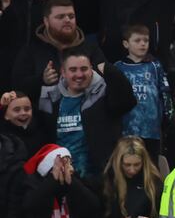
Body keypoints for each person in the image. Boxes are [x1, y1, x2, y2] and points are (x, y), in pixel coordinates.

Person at [34, 47, 135, 181]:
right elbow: (38, 133)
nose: (79, 75)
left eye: (84, 69)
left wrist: (109, 69)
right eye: (73, 70)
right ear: (63, 72)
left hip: (100, 180)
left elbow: (128, 101)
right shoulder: (50, 97)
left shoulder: (104, 94)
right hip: (61, 179)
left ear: (91, 70)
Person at [13, 143, 101, 218]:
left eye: (69, 163)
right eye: (63, 165)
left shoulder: (75, 182)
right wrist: (53, 180)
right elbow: (29, 204)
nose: (68, 168)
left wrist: (72, 182)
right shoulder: (33, 183)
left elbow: (94, 205)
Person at [12, 0, 106, 93]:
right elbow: (17, 86)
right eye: (60, 17)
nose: (67, 20)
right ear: (46, 21)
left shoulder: (90, 48)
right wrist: (41, 80)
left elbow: (105, 79)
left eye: (71, 16)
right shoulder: (31, 49)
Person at [114, 24, 173, 163]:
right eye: (137, 40)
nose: (142, 44)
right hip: (126, 130)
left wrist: (166, 119)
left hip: (151, 129)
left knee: (151, 166)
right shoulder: (118, 67)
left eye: (146, 40)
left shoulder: (155, 66)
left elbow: (165, 94)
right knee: (127, 165)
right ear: (126, 43)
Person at [96, 136, 162, 218]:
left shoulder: (153, 182)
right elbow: (93, 217)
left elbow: (162, 217)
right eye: (127, 165)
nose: (132, 170)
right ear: (118, 161)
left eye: (137, 165)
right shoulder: (107, 180)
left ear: (144, 162)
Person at [0, 90, 47, 155]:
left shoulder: (41, 131)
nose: (23, 113)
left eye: (27, 109)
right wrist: (1, 104)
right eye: (17, 110)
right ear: (6, 115)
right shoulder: (3, 135)